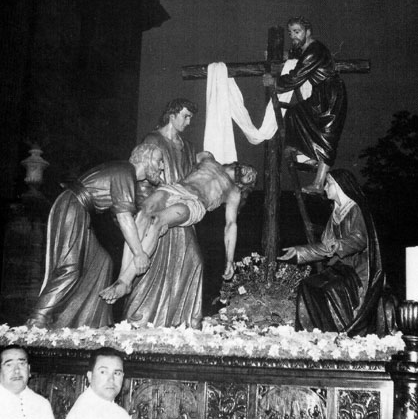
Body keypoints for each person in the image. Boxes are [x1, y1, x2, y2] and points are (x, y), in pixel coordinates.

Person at [26, 145, 164, 329]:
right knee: (70, 267)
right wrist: (139, 253)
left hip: (82, 211)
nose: (161, 166)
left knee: (101, 261)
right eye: (158, 160)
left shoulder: (125, 174)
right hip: (73, 206)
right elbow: (124, 218)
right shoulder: (125, 171)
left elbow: (122, 217)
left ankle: (91, 323)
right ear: (144, 159)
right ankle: (37, 320)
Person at [100, 151, 257, 303]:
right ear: (240, 164)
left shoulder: (234, 192)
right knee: (142, 214)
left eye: (252, 178)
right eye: (251, 169)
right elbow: (181, 156)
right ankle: (121, 280)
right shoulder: (208, 158)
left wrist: (229, 260)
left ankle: (126, 281)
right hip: (174, 189)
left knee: (157, 222)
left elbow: (230, 225)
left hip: (194, 203)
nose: (251, 173)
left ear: (245, 186)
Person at [121, 98, 203, 328]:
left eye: (190, 118)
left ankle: (182, 322)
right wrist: (145, 207)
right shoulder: (153, 139)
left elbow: (192, 178)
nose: (188, 122)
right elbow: (144, 175)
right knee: (152, 262)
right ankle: (140, 318)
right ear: (172, 115)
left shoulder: (187, 147)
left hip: (180, 208)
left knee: (193, 260)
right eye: (185, 116)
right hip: (158, 206)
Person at [278, 169, 385, 336]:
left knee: (330, 288)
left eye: (329, 183)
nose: (325, 187)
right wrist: (299, 251)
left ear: (340, 186)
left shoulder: (355, 209)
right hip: (341, 268)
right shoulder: (336, 213)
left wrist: (340, 245)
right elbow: (325, 247)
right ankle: (312, 334)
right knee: (308, 285)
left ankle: (342, 333)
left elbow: (359, 239)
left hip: (358, 270)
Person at [263, 17, 347, 194]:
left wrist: (274, 82)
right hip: (320, 94)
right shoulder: (308, 49)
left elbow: (296, 77)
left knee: (327, 137)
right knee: (295, 113)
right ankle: (308, 155)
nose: (293, 35)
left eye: (297, 31)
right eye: (291, 32)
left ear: (308, 32)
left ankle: (318, 183)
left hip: (331, 95)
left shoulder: (314, 50)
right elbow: (300, 56)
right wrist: (288, 56)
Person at [59, 347, 164, 419]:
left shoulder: (110, 407)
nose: (111, 380)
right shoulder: (85, 412)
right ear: (90, 376)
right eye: (103, 372)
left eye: (117, 373)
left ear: (123, 377)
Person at [0, 344, 59, 419]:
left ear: (29, 369)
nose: (17, 371)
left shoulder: (41, 404)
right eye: (9, 365)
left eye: (22, 364)